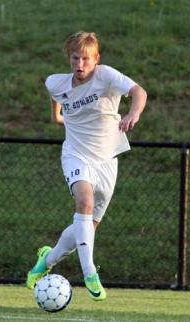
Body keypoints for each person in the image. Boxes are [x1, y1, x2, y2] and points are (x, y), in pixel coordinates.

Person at [26, 31, 147, 301]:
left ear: (96, 59)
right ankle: (89, 271)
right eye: (75, 58)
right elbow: (56, 94)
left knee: (87, 228)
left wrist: (133, 113)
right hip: (75, 155)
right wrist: (57, 116)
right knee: (84, 201)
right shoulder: (55, 82)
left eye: (86, 59)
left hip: (107, 160)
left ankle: (46, 260)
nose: (80, 64)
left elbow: (139, 92)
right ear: (69, 58)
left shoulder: (106, 76)